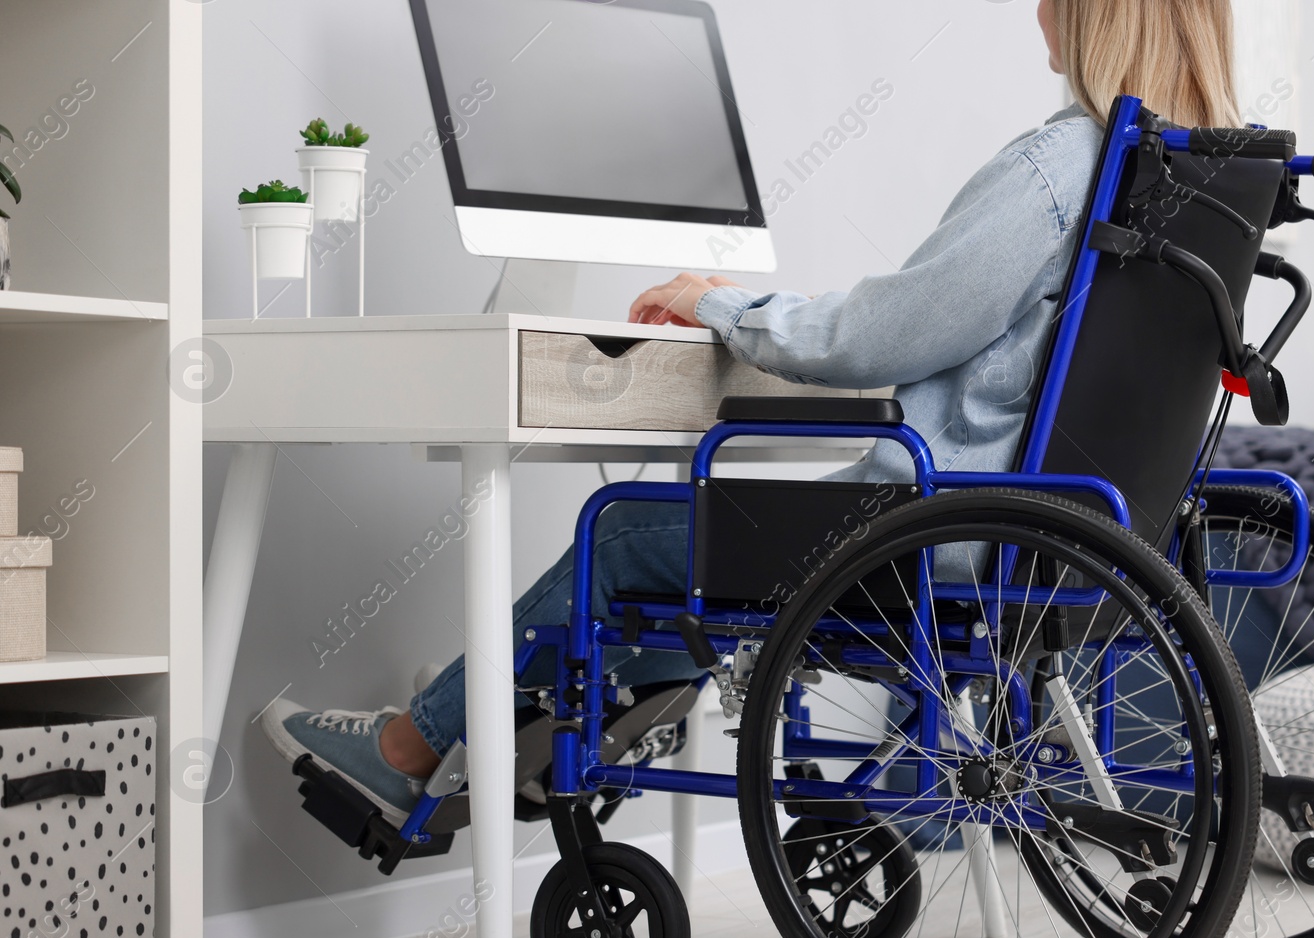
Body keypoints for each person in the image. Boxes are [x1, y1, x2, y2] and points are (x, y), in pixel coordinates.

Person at [263, 0, 1245, 822]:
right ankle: (643, 680)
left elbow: (886, 335)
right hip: (1079, 541)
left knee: (621, 536)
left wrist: (719, 304)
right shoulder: (1197, 187)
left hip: (937, 538)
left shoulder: (1060, 164)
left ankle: (410, 746)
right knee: (695, 527)